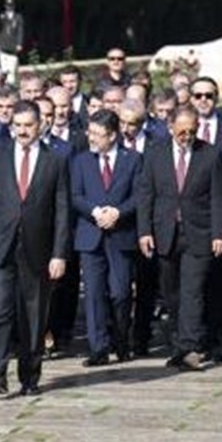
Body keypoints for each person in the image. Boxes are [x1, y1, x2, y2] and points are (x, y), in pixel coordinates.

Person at [0, 100, 70, 396]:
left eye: (29, 125)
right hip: (1, 245)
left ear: (40, 125)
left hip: (38, 249)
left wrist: (59, 253)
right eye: (18, 125)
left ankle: (30, 376)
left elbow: (62, 210)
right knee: (0, 309)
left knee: (33, 314)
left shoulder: (55, 160)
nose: (23, 131)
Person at [136, 106, 222, 371]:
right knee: (171, 293)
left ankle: (190, 346)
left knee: (193, 291)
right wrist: (144, 231)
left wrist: (219, 233)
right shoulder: (155, 153)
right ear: (170, 127)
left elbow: (219, 197)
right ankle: (178, 345)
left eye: (192, 130)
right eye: (182, 131)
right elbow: (146, 195)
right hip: (165, 233)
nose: (187, 136)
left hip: (199, 233)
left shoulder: (209, 154)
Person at [67, 109, 140, 366]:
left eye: (98, 134)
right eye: (91, 132)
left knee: (120, 292)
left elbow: (140, 195)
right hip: (90, 234)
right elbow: (75, 195)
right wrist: (96, 211)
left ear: (112, 135)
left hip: (121, 235)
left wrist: (118, 213)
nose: (92, 138)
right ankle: (98, 347)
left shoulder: (133, 160)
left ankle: (121, 341)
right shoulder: (81, 161)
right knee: (95, 293)